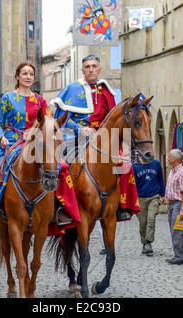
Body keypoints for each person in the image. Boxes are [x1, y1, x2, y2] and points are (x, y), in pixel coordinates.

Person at [52, 55, 140, 221]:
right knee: (61, 165)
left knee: (125, 164)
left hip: (103, 138)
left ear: (99, 69)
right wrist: (79, 129)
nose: (91, 69)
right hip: (76, 137)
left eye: (94, 66)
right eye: (87, 67)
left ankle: (121, 206)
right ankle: (61, 207)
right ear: (82, 70)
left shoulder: (106, 91)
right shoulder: (73, 88)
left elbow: (113, 119)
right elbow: (60, 118)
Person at [0, 62, 53, 233]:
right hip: (12, 140)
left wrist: (33, 131)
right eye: (24, 73)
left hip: (35, 142)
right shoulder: (8, 98)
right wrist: (0, 137)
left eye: (31, 74)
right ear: (17, 76)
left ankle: (57, 209)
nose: (28, 77)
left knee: (58, 167)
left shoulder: (40, 100)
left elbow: (49, 123)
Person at [132, 158, 165, 256]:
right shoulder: (135, 166)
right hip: (140, 198)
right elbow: (133, 184)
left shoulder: (156, 163)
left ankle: (148, 243)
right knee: (143, 223)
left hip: (154, 197)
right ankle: (144, 243)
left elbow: (160, 179)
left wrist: (162, 194)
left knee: (151, 219)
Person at [164, 149, 183, 265]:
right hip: (172, 204)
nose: (167, 158)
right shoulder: (173, 170)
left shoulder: (182, 172)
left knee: (177, 230)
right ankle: (177, 255)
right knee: (173, 230)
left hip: (178, 205)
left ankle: (180, 256)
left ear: (174, 159)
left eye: (169, 156)